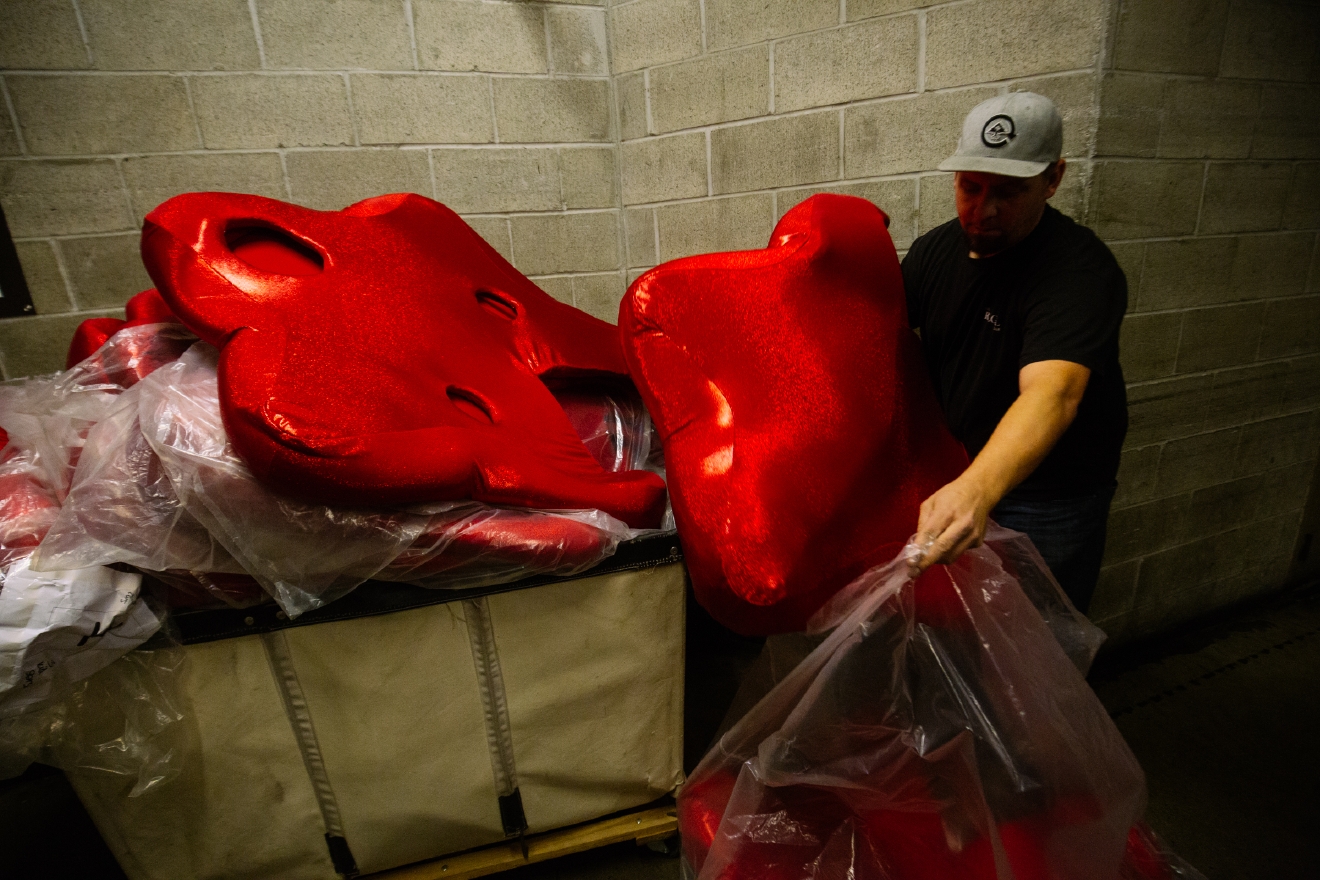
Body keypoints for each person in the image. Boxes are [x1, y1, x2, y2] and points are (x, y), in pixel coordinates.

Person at [902, 92, 1128, 614]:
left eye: (1009, 192)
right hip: (957, 471)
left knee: (1034, 651)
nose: (982, 210)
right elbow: (879, 335)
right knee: (956, 636)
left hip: (1047, 498)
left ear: (1054, 179)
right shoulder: (936, 250)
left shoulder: (1077, 272)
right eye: (970, 187)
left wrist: (976, 490)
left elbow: (1053, 392)